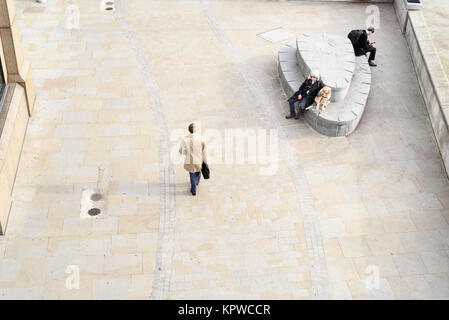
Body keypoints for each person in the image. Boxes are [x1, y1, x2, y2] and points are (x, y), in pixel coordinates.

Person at [179, 123, 207, 196]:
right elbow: (204, 149)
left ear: (189, 130)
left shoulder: (185, 140)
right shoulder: (201, 138)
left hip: (189, 161)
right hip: (199, 160)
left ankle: (193, 190)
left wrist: (186, 153)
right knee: (198, 171)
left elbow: (182, 151)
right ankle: (197, 181)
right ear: (195, 130)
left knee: (192, 174)